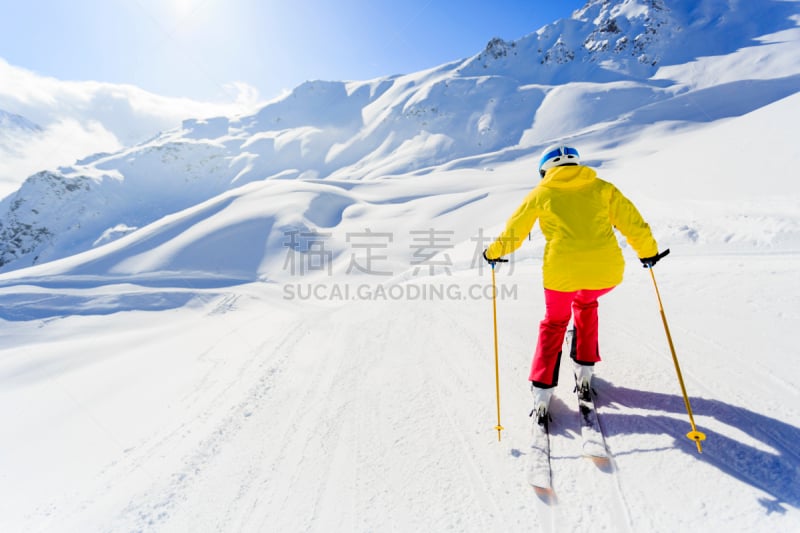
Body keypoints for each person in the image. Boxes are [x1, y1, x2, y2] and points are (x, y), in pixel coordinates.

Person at [483, 143, 665, 425]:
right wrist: (648, 253)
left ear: (545, 171)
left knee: (555, 322)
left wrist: (492, 254)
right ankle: (585, 370)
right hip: (606, 272)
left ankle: (542, 393)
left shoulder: (541, 194)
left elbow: (514, 232)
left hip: (561, 274)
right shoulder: (603, 188)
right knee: (586, 302)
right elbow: (634, 224)